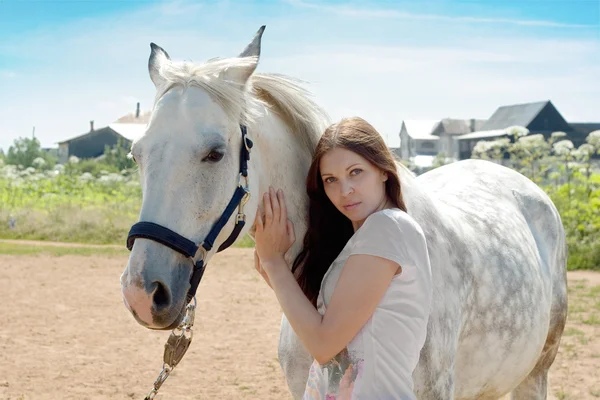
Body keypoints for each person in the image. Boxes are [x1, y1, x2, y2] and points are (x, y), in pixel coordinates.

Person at [253, 116, 433, 399]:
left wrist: (274, 263)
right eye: (331, 180)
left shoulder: (387, 227)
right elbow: (327, 333)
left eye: (356, 172)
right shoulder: (362, 241)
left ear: (383, 170)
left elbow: (324, 345)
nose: (344, 190)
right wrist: (275, 271)